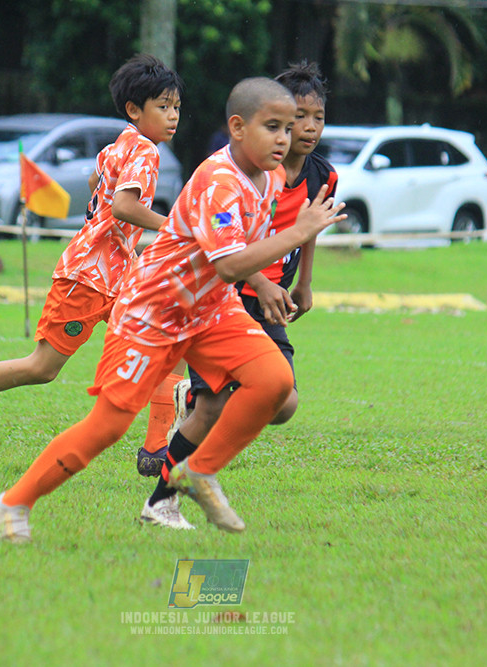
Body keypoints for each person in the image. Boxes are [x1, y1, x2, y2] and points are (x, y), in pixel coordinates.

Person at [0, 77, 346, 543]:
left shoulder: (270, 177)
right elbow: (230, 262)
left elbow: (233, 254)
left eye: (289, 128)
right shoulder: (219, 182)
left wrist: (271, 278)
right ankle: (12, 503)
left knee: (275, 382)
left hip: (210, 308)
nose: (285, 138)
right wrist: (297, 234)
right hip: (153, 311)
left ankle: (196, 471)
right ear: (237, 128)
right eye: (272, 127)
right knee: (107, 427)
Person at [0, 54, 186, 457]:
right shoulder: (144, 151)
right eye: (163, 106)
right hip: (88, 277)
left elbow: (96, 180)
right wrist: (174, 226)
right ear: (133, 110)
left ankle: (156, 449)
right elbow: (124, 206)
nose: (173, 116)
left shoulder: (120, 144)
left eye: (176, 107)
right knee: (42, 367)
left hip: (119, 273)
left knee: (169, 337)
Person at [139, 62, 338, 529]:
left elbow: (307, 228)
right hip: (224, 295)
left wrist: (303, 282)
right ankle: (162, 500)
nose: (305, 129)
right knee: (199, 408)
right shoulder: (241, 172)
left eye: (316, 118)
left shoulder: (319, 175)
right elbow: (230, 255)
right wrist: (262, 282)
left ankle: (194, 447)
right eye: (292, 120)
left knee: (281, 401)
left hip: (266, 296)